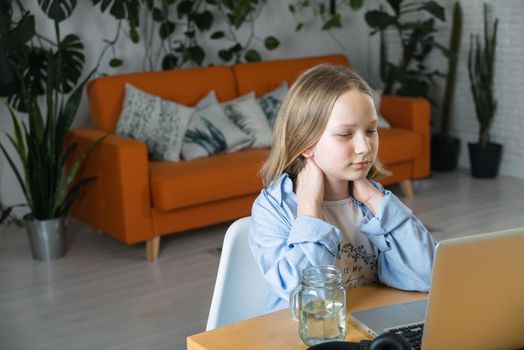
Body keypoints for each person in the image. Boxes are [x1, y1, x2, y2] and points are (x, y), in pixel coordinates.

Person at [248, 64, 437, 313]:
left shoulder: (372, 202)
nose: (364, 147)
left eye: (371, 130)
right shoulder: (273, 208)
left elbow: (428, 276)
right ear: (306, 142)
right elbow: (310, 304)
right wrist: (309, 208)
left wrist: (374, 198)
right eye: (345, 134)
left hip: (367, 327)